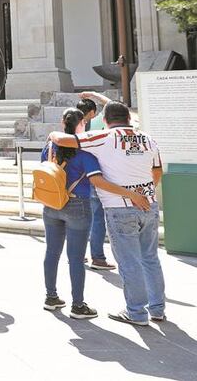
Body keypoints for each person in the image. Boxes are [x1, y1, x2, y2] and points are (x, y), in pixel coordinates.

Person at [49, 102, 166, 326]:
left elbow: (63, 140)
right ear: (129, 119)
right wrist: (144, 192)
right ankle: (158, 308)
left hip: (119, 207)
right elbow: (157, 170)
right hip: (148, 205)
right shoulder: (148, 139)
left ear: (105, 120)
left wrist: (57, 130)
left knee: (129, 261)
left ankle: (136, 312)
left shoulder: (104, 137)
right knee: (150, 258)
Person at [76, 93, 116, 271]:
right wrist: (92, 94)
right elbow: (112, 104)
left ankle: (77, 253)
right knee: (98, 218)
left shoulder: (72, 125)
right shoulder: (98, 122)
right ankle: (97, 257)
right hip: (97, 174)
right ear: (92, 111)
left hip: (77, 177)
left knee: (81, 218)